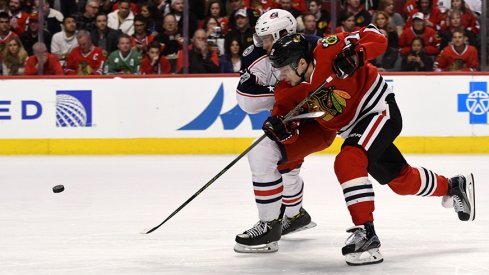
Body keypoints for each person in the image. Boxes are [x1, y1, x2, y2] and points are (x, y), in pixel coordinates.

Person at [267, 30, 475, 265]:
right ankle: (452, 186)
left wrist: (357, 54)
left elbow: (378, 37)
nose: (281, 76)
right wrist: (281, 132)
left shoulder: (329, 48)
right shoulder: (286, 92)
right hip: (355, 130)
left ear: (301, 62)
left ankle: (366, 233)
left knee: (348, 160)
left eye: (284, 69)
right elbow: (291, 132)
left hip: (379, 110)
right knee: (401, 181)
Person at [233, 9, 334, 254]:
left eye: (268, 38)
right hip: (293, 118)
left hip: (322, 122)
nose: (263, 43)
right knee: (285, 165)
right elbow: (246, 100)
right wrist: (287, 99)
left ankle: (269, 227)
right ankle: (295, 215)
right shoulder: (255, 57)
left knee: (263, 155)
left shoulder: (315, 47)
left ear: (285, 33)